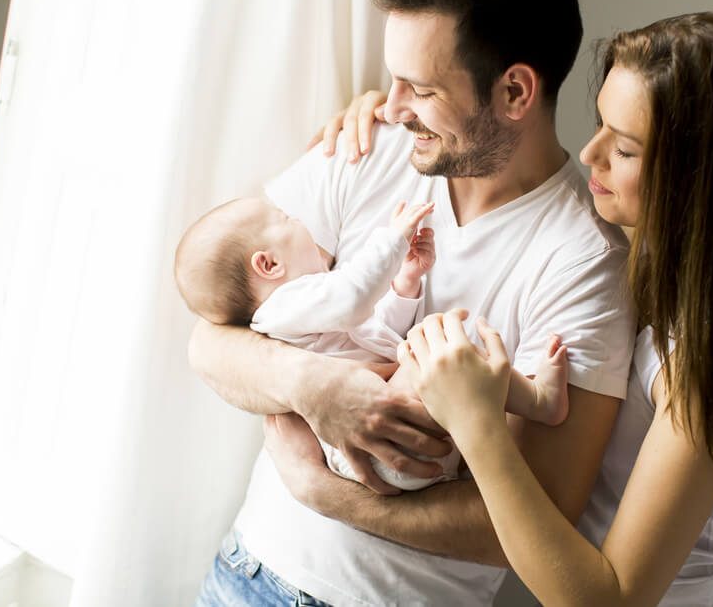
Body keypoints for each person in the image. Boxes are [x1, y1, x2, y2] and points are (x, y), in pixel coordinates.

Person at [281, 11, 713, 606]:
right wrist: (395, 113)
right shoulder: (643, 272)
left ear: (704, 177)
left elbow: (608, 600)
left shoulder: (712, 354)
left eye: (625, 148)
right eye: (599, 125)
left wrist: (478, 424)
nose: (590, 154)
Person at [188, 0, 636, 605]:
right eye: (394, 81)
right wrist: (315, 386)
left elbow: (538, 515)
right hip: (244, 574)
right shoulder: (368, 149)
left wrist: (328, 493)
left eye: (420, 89)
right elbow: (211, 340)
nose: (392, 107)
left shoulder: (586, 261)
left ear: (514, 90)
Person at [173, 196, 570, 491]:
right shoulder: (283, 306)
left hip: (397, 442)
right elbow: (353, 297)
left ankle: (482, 435)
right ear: (268, 264)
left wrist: (405, 283)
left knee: (435, 352)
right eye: (285, 218)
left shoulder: (308, 315)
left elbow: (376, 333)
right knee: (439, 346)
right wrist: (392, 241)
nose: (299, 219)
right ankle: (537, 401)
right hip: (379, 452)